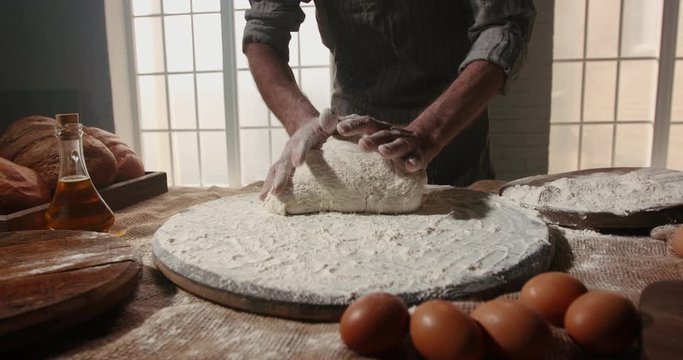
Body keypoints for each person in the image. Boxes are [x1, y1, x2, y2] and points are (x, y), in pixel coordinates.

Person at [243, 1, 536, 200]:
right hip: (352, 142)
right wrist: (302, 121)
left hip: (454, 138)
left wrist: (430, 133)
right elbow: (264, 32)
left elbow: (506, 25)